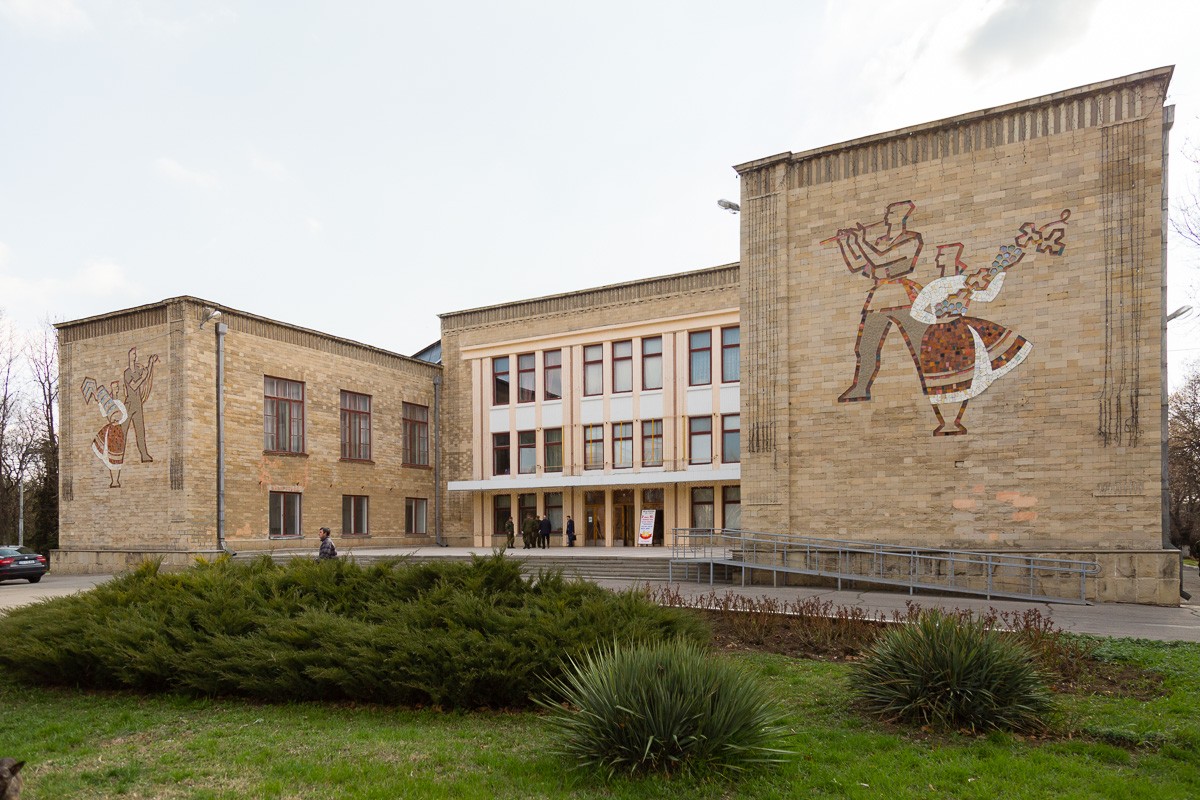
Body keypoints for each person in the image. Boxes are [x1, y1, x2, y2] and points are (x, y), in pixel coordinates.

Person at [908, 242, 1032, 436]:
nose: (939, 259)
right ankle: (944, 423)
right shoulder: (935, 286)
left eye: (943, 256)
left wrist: (1001, 271)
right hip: (937, 335)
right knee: (937, 378)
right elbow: (916, 311)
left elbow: (987, 296)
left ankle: (956, 421)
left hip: (961, 331)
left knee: (971, 373)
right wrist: (936, 320)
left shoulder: (965, 282)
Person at [826, 200, 929, 403]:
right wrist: (847, 243)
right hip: (879, 298)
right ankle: (860, 387)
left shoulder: (911, 238)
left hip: (902, 296)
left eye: (892, 213)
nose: (887, 216)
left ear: (903, 216)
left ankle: (932, 382)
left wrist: (861, 240)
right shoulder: (880, 242)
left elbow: (881, 259)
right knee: (866, 346)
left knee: (920, 343)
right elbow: (863, 266)